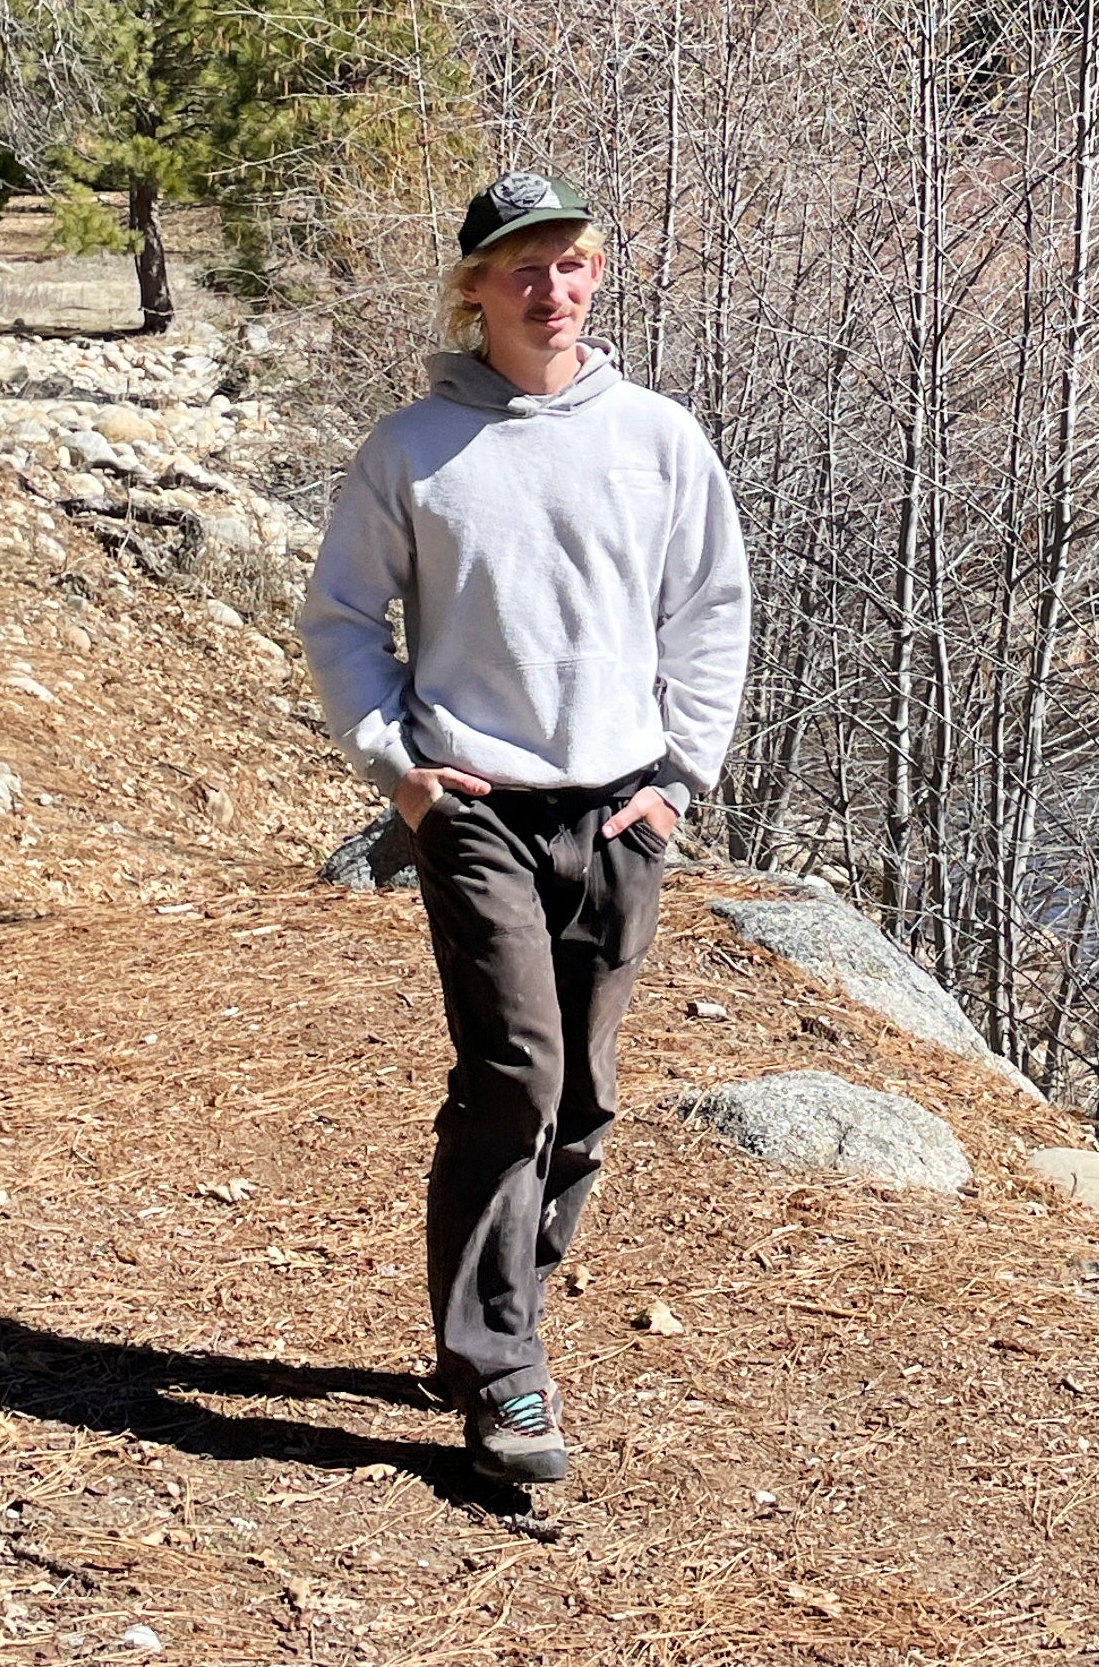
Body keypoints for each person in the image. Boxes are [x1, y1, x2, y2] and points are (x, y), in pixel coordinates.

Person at [300, 172, 752, 1483]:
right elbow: (341, 619)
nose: (547, 289)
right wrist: (399, 769)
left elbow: (710, 610)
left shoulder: (660, 440)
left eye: (568, 264)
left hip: (620, 810)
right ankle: (503, 1369)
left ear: (595, 276)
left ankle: (498, 1303)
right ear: (476, 290)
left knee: (587, 1100)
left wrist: (679, 780)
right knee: (517, 1077)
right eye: (519, 269)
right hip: (477, 806)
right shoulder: (412, 451)